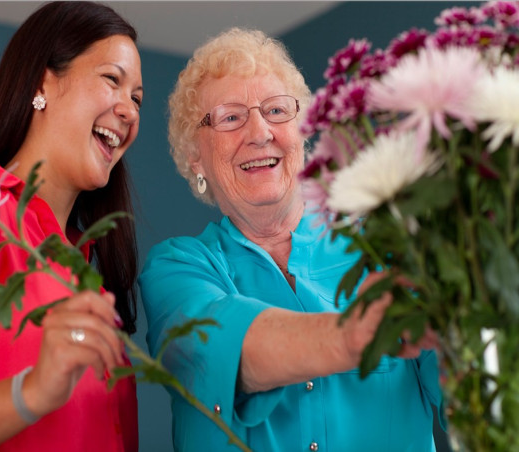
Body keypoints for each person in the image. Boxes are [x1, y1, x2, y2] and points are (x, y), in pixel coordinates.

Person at [139, 28, 442, 451]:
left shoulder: (387, 246)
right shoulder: (178, 270)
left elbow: (478, 393)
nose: (260, 131)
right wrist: (354, 335)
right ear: (195, 156)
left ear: (303, 130)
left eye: (277, 111)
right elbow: (230, 351)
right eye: (230, 117)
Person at [0, 2, 143, 450]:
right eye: (111, 79)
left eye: (137, 98)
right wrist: (32, 393)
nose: (129, 110)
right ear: (44, 80)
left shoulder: (87, 273)